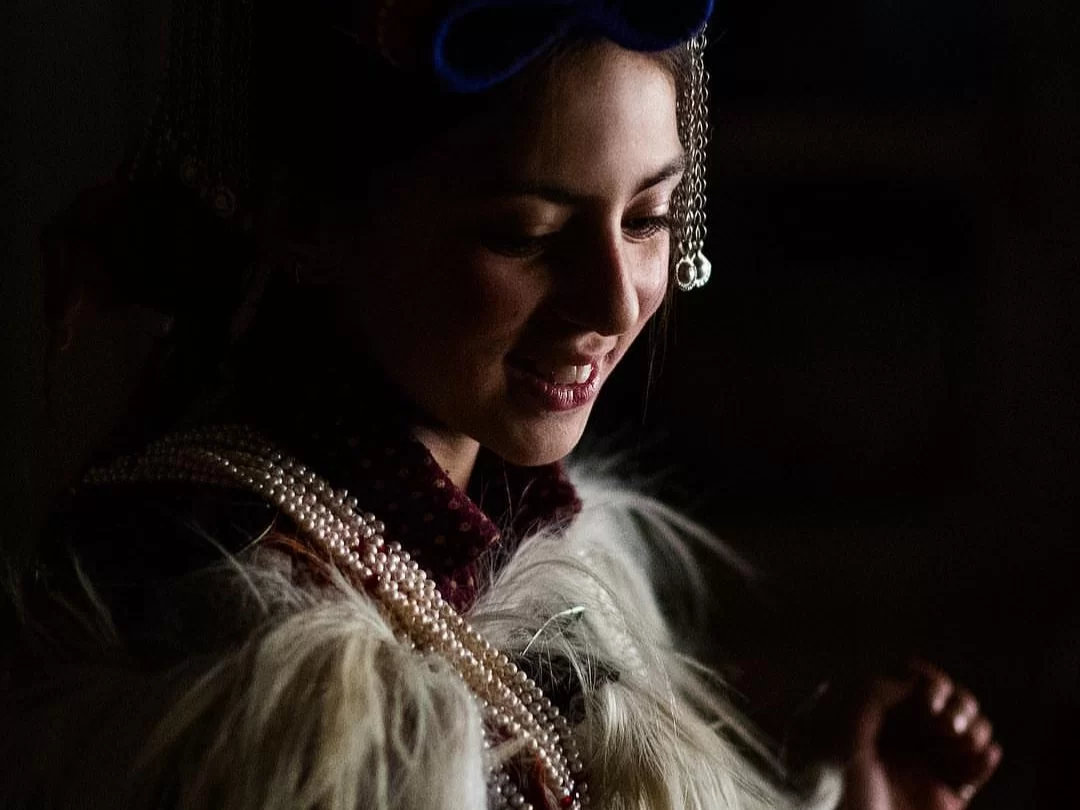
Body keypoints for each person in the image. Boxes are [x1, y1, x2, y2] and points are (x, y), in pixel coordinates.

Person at [1, 1, 1001, 809]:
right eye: (526, 235)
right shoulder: (226, 623)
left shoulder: (536, 544)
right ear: (309, 219)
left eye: (649, 217)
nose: (614, 301)